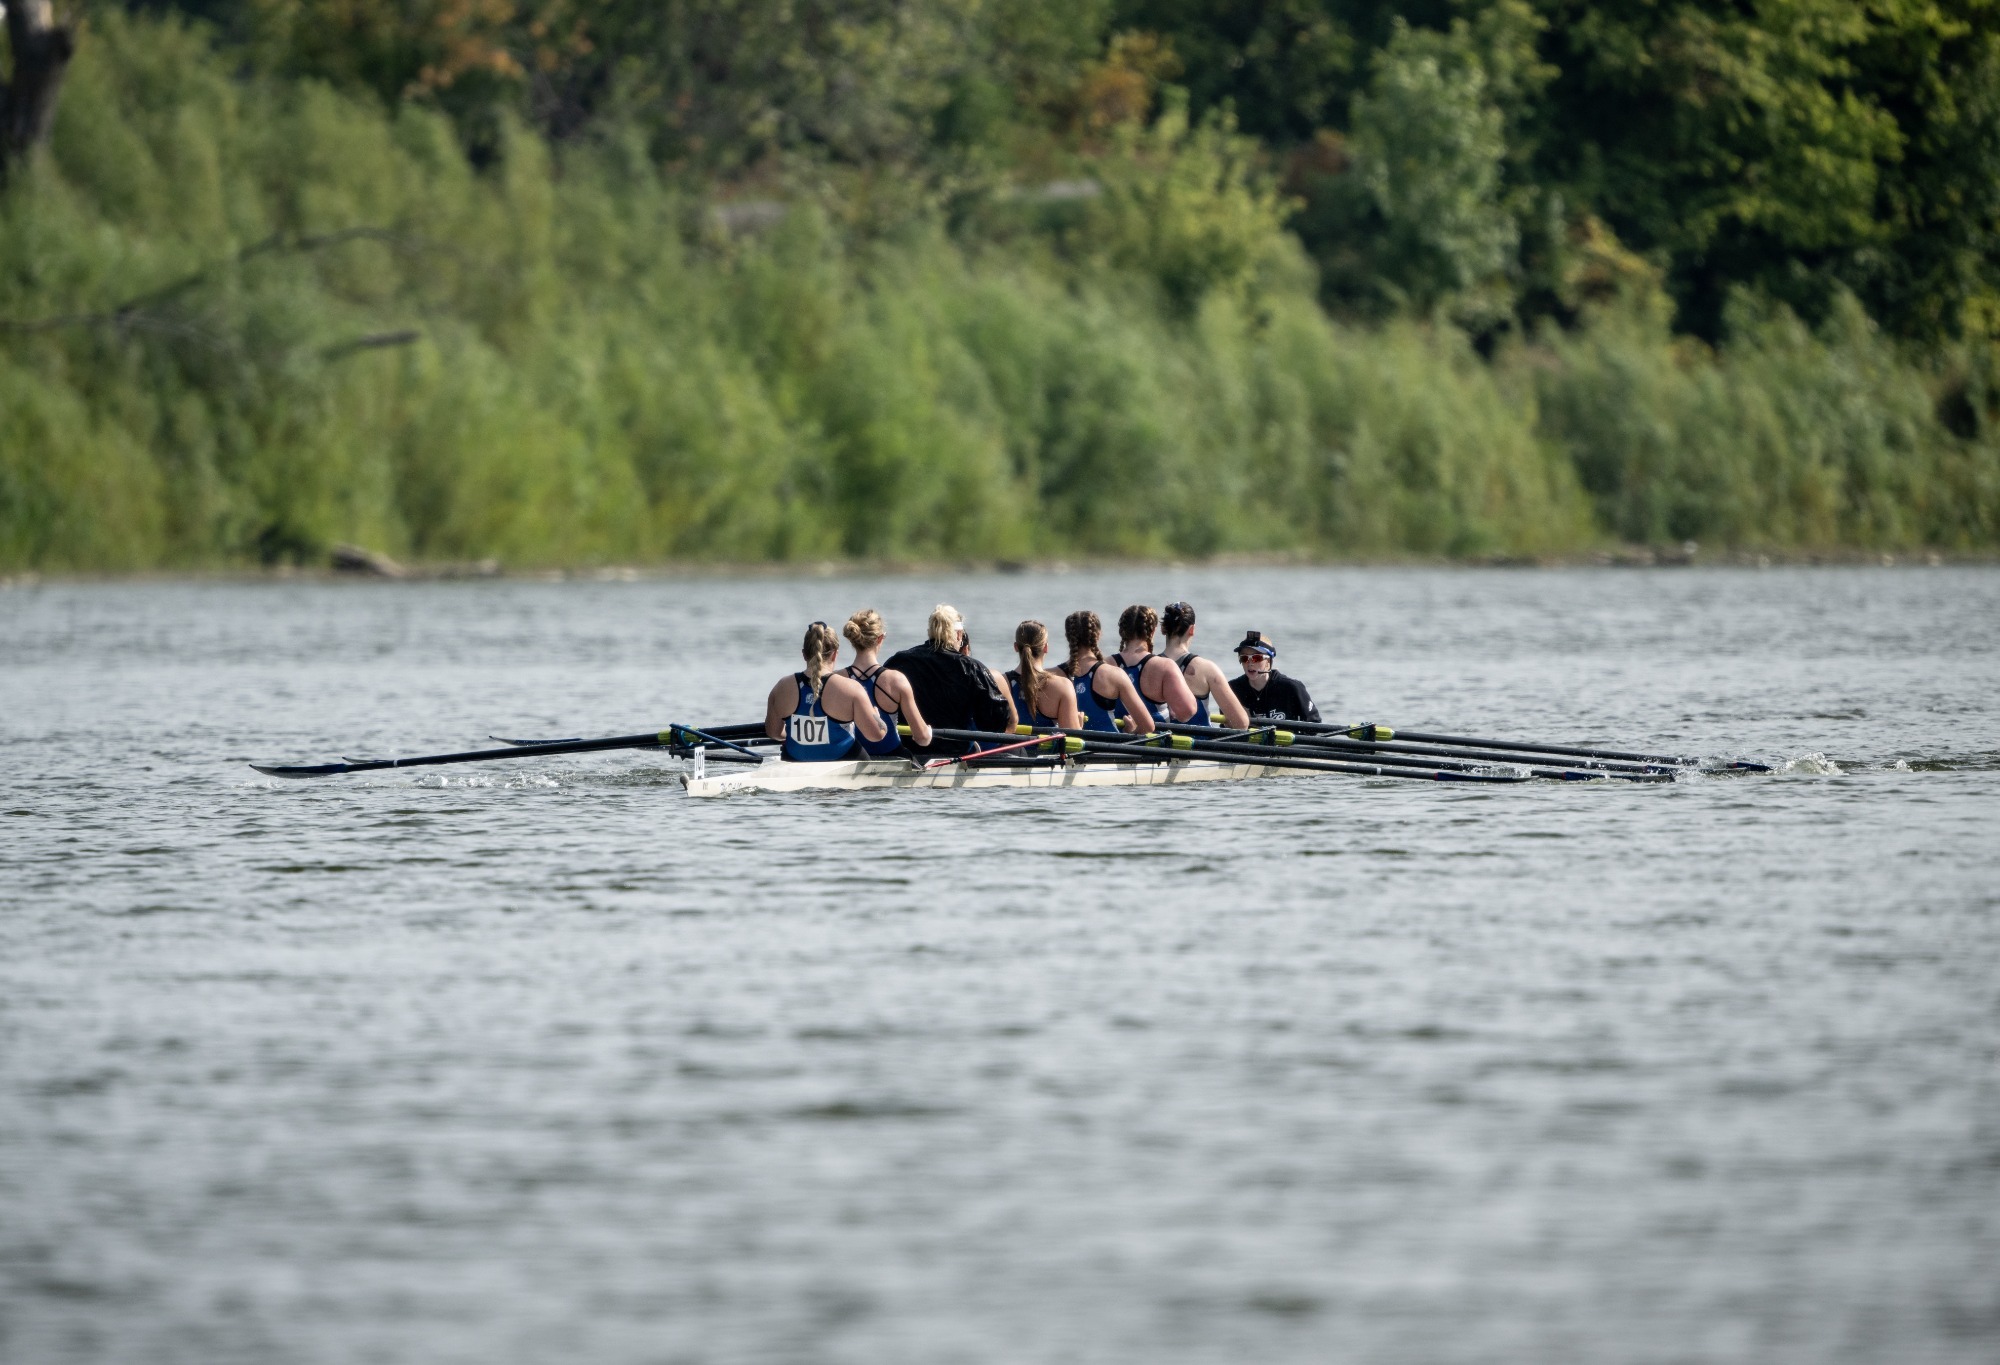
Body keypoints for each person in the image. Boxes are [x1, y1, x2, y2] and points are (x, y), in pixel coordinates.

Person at [883, 604, 1016, 752]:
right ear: (959, 634)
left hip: (910, 749)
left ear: (930, 632)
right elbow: (995, 723)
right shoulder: (972, 668)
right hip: (954, 752)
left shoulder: (899, 661)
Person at [764, 621, 890, 760]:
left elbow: (773, 732)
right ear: (835, 654)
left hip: (794, 761)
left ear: (804, 654)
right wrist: (878, 717)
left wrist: (800, 735)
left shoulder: (781, 687)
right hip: (842, 762)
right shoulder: (851, 689)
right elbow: (876, 735)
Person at [839, 609, 933, 754]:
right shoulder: (897, 680)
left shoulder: (836, 680)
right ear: (880, 638)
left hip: (852, 758)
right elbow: (922, 738)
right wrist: (928, 732)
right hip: (892, 757)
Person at [1055, 609, 1154, 735]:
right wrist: (1129, 734)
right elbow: (1148, 726)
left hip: (1071, 750)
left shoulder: (1053, 676)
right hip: (1109, 751)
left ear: (1068, 637)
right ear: (1098, 635)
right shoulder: (1115, 675)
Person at [1161, 600, 1250, 730]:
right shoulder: (1207, 669)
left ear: (1163, 629)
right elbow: (1241, 724)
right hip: (1198, 747)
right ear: (1192, 630)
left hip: (1157, 747)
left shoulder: (1147, 666)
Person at [1106, 604, 1199, 726]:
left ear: (1122, 631)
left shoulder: (1105, 665)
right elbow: (1187, 712)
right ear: (1153, 631)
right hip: (1153, 741)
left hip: (1114, 740)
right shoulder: (1164, 666)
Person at [1228, 630, 1322, 724]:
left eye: (1256, 658)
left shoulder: (1292, 688)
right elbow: (1224, 729)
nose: (1250, 663)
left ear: (1268, 661)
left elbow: (1315, 725)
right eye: (1244, 658)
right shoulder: (1231, 690)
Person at [1006, 620, 1082, 730]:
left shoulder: (1002, 683)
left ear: (1016, 647)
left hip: (1012, 747)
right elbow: (1073, 741)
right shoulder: (1063, 686)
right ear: (1045, 647)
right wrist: (1079, 726)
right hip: (1046, 747)